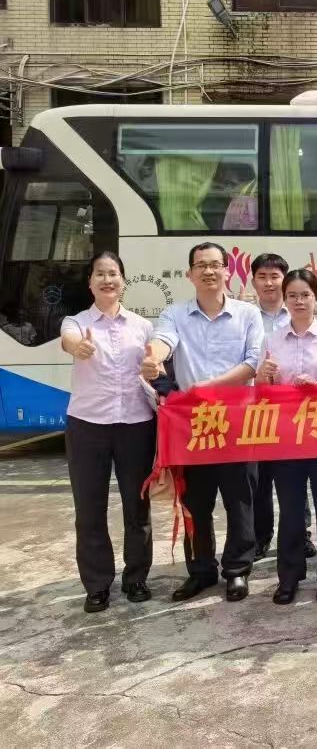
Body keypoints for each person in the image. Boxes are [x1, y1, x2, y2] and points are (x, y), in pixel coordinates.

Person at [141, 242, 263, 603]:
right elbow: (163, 341)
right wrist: (154, 359)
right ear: (190, 274)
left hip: (238, 422)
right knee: (195, 502)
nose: (209, 271)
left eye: (215, 265)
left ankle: (237, 570)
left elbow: (253, 363)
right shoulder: (176, 313)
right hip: (194, 425)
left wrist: (209, 387)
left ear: (227, 270)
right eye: (201, 266)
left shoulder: (247, 314)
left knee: (240, 501)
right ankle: (201, 571)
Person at [60, 252, 156, 613]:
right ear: (90, 283)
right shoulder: (77, 322)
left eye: (113, 273)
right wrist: (78, 346)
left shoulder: (142, 326)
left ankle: (136, 578)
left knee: (137, 506)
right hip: (88, 426)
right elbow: (68, 339)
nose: (107, 280)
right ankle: (97, 584)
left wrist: (154, 369)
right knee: (89, 508)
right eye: (99, 274)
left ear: (123, 281)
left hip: (136, 425)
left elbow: (153, 367)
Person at [256, 269, 317, 604]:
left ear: (316, 298)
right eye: (292, 295)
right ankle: (289, 576)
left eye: (305, 295)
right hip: (286, 437)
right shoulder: (272, 340)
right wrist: (263, 378)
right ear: (285, 299)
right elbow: (261, 391)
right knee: (291, 510)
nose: (299, 301)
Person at [249, 253, 315, 563]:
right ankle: (261, 536)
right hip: (260, 409)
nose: (269, 283)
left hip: (298, 414)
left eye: (275, 276)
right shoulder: (247, 317)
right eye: (262, 277)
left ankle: (302, 533)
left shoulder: (300, 314)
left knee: (297, 479)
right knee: (261, 478)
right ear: (253, 282)